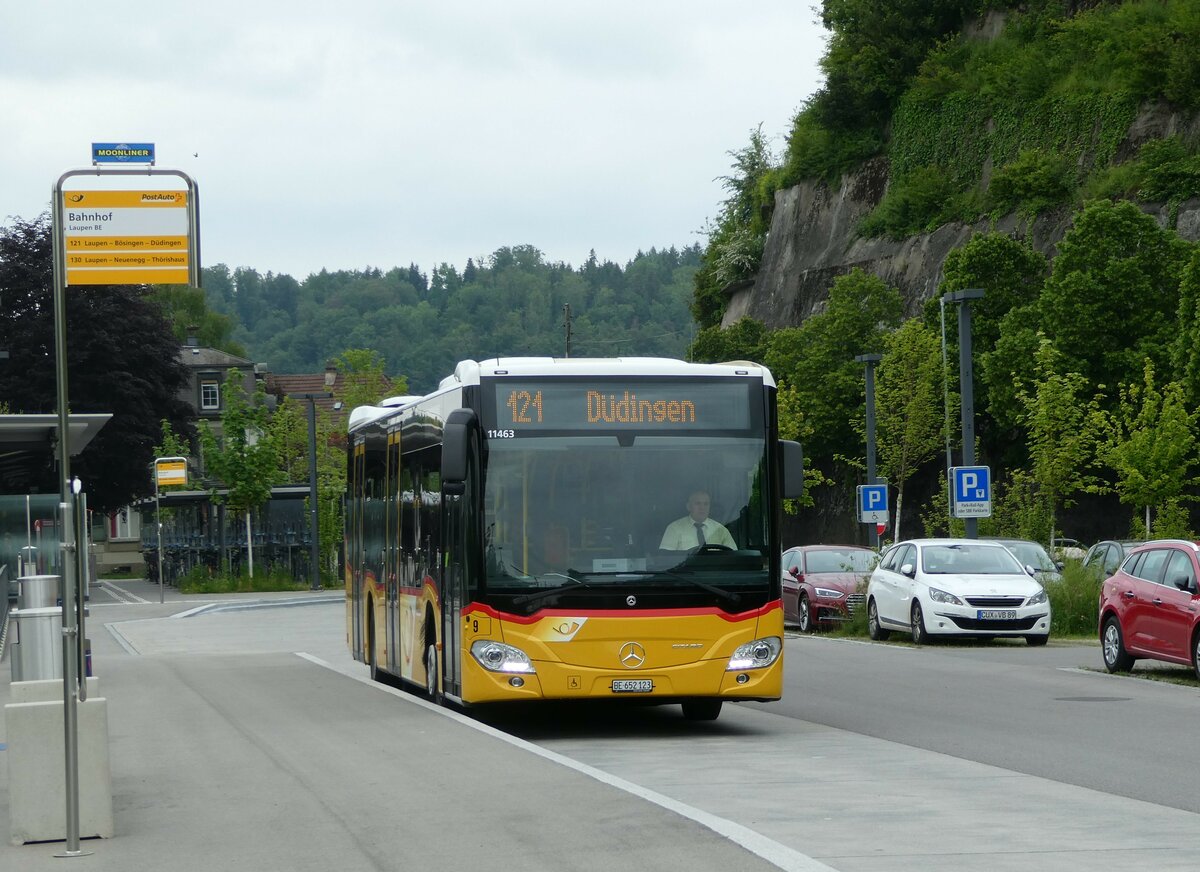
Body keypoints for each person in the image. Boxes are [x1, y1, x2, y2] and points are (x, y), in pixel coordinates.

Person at [659, 490, 736, 551]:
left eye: (706, 504)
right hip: (684, 570)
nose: (702, 507)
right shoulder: (674, 528)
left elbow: (733, 557)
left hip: (715, 570)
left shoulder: (721, 530)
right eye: (697, 503)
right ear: (688, 506)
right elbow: (665, 559)